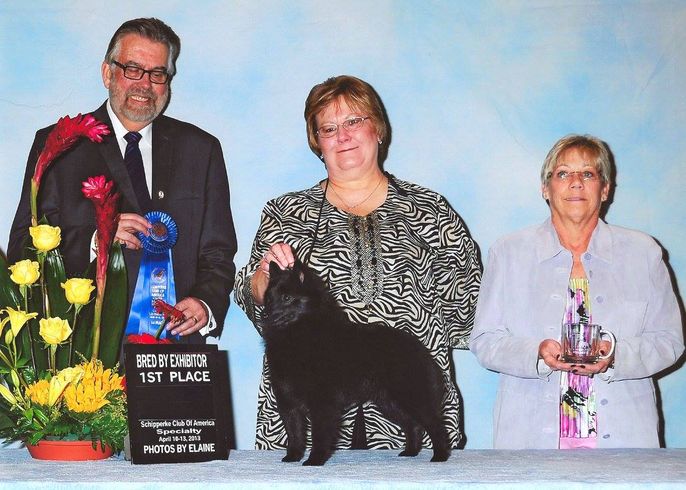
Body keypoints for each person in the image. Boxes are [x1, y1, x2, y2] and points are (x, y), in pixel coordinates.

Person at [234, 75, 481, 451]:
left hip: (405, 402)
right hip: (309, 406)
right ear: (317, 143)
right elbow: (250, 297)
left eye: (354, 121)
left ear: (378, 129)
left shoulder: (430, 210)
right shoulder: (286, 212)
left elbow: (468, 306)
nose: (343, 135)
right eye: (328, 128)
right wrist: (263, 280)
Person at [8, 18, 237, 343]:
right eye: (133, 69)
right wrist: (96, 242)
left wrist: (205, 303)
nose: (145, 84)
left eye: (157, 73)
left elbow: (218, 252)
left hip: (174, 348)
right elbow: (23, 248)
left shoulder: (202, 149)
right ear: (107, 73)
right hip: (80, 348)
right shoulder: (59, 145)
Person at [470, 134, 684, 449]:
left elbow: (669, 341)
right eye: (562, 174)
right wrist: (535, 352)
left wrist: (615, 355)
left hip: (626, 441)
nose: (575, 183)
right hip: (529, 440)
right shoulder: (508, 252)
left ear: (605, 189)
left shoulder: (643, 252)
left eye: (587, 173)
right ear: (545, 188)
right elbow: (485, 340)